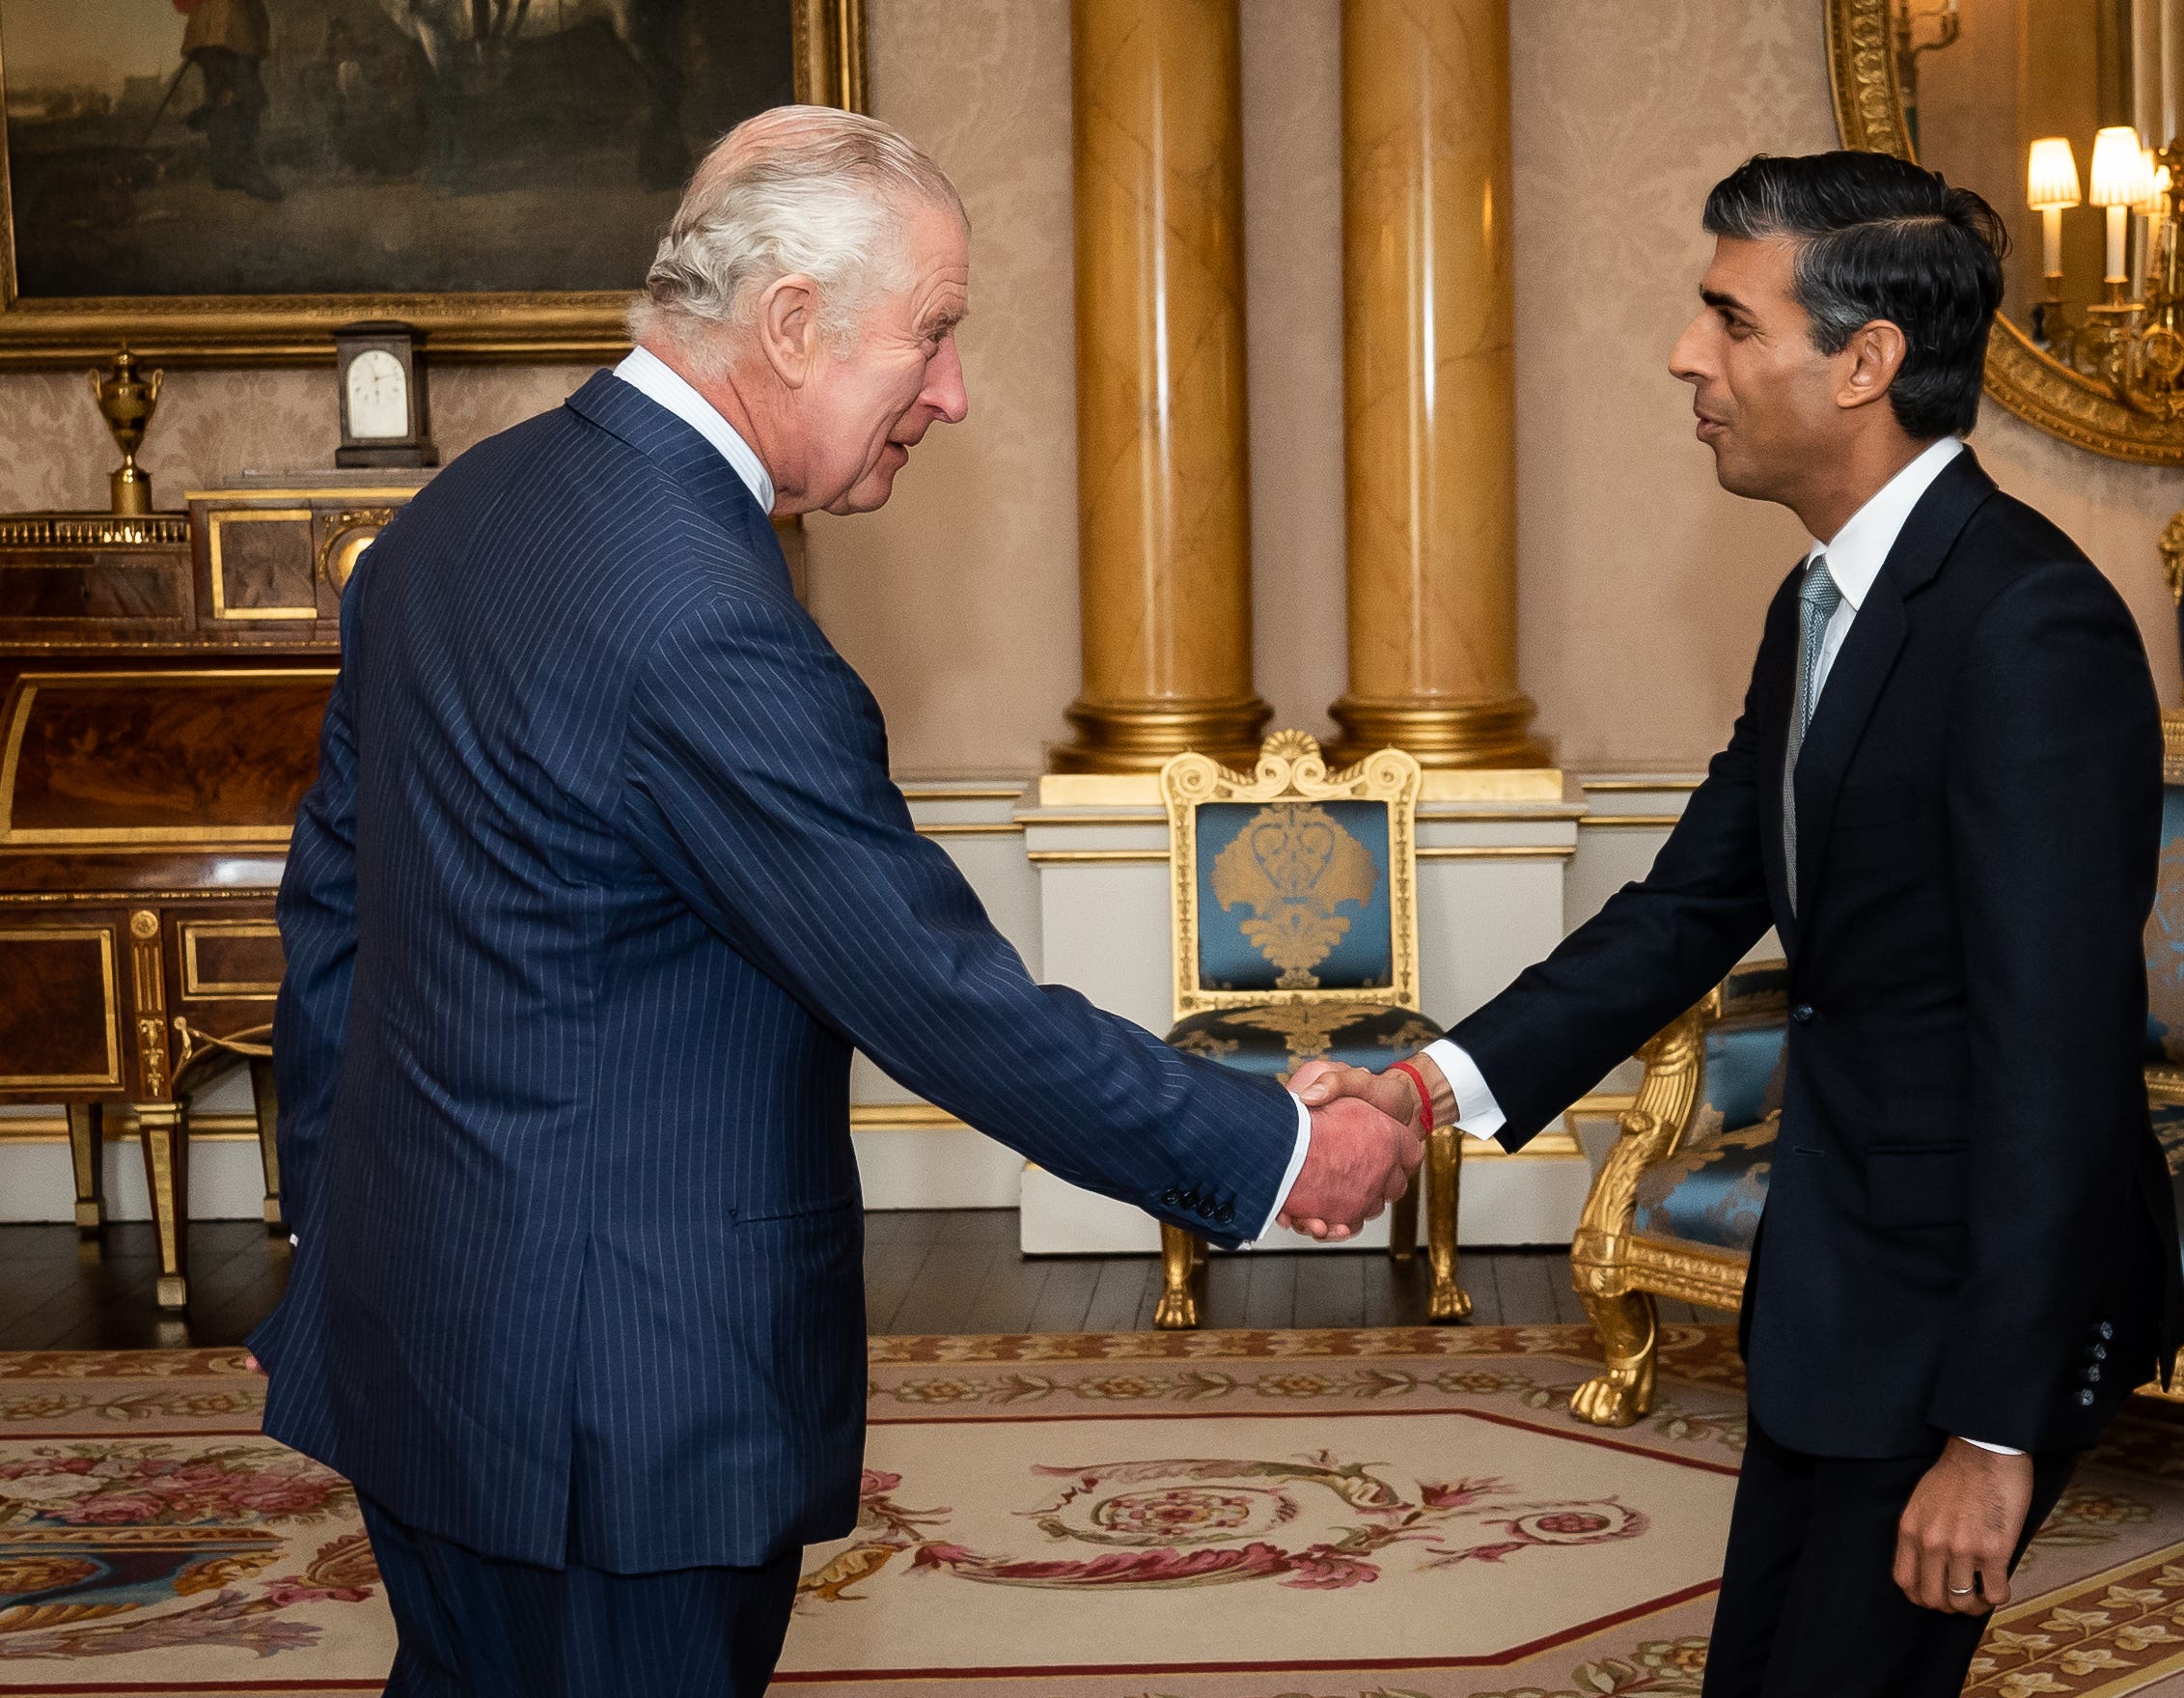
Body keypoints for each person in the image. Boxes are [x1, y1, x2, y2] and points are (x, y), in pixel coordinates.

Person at [247, 107, 1418, 1697]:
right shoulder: (702, 619)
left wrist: (342, 1224)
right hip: (618, 1402)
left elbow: (333, 914)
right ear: (790, 323)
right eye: (931, 331)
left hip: (424, 1330)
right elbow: (934, 991)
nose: (951, 389)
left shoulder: (463, 516)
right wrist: (1275, 1143)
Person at [1295, 151, 2184, 1697]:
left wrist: (1994, 1431)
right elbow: (1685, 905)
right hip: (1846, 1279)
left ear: (1864, 362)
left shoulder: (2025, 625)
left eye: (1728, 316)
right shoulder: (1824, 601)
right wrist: (1426, 1086)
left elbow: (2061, 1056)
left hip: (1967, 1308)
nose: (1683, 355)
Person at [177, 0, 284, 202]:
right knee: (240, 93)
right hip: (227, 22)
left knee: (223, 93)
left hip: (227, 22)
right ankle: (246, 171)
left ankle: (224, 170)